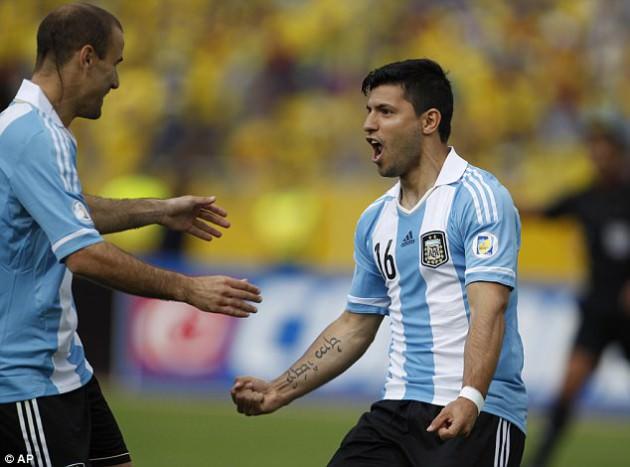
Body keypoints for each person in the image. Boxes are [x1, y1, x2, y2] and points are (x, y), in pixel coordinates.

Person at [0, 4, 262, 467]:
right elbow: (83, 254)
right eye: (114, 64)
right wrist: (187, 288)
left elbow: (68, 210)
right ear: (86, 58)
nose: (117, 82)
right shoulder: (34, 135)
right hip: (25, 377)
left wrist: (159, 211)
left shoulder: (32, 129)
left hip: (66, 367)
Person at [231, 58, 527, 467]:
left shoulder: (478, 197)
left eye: (385, 112)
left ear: (429, 121)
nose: (368, 125)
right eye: (368, 111)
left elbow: (489, 308)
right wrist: (279, 389)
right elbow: (356, 324)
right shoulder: (376, 219)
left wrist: (470, 396)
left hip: (477, 413)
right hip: (396, 412)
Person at [526, 121, 630, 467]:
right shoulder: (586, 198)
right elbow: (544, 212)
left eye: (606, 152)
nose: (599, 159)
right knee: (569, 387)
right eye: (594, 152)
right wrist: (499, 206)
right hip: (598, 312)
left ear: (620, 154)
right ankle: (539, 460)